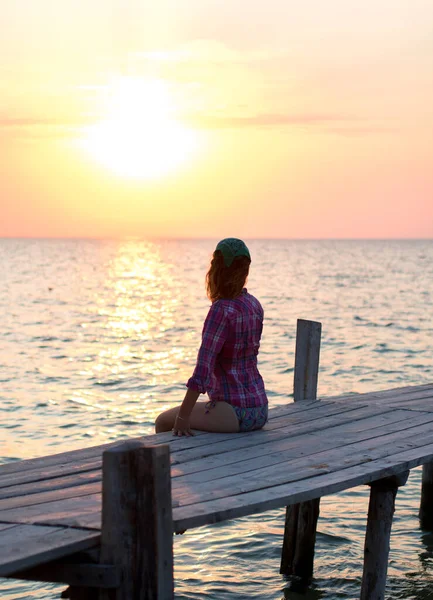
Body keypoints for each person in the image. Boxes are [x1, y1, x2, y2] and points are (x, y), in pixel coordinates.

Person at [155, 238, 268, 437]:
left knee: (163, 422)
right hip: (260, 410)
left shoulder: (221, 310)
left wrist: (182, 418)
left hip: (233, 412)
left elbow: (203, 370)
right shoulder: (254, 304)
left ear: (216, 271)